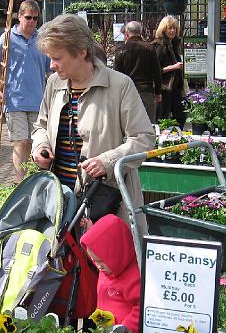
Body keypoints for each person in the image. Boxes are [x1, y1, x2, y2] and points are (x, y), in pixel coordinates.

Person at [30, 14, 154, 229]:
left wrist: (107, 161)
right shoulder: (54, 84)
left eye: (57, 58)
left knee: (102, 261)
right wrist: (41, 146)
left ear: (81, 52)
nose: (51, 65)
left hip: (104, 201)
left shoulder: (119, 85)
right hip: (60, 199)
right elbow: (41, 125)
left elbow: (143, 138)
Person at [0, 0, 51, 182]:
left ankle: (33, 179)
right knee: (20, 141)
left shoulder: (42, 40)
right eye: (28, 17)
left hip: (38, 101)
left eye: (35, 18)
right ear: (19, 17)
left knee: (36, 144)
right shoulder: (7, 39)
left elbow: (50, 69)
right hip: (14, 100)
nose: (31, 21)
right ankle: (20, 181)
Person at [79, 214, 141, 333]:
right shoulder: (108, 267)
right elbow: (100, 251)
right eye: (94, 260)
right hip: (104, 329)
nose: (98, 266)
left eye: (101, 261)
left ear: (114, 256)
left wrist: (125, 330)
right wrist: (92, 231)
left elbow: (139, 308)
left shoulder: (133, 278)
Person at [114, 21, 162, 123]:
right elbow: (157, 73)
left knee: (129, 126)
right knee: (149, 126)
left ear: (126, 34)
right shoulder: (150, 48)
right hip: (147, 92)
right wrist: (158, 92)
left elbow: (116, 75)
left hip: (127, 94)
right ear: (141, 33)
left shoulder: (120, 50)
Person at [152, 16, 188, 127]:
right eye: (170, 28)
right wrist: (174, 67)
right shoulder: (159, 46)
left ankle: (178, 139)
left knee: (181, 117)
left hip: (176, 88)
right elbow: (155, 69)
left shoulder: (174, 45)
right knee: (161, 118)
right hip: (164, 88)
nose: (172, 31)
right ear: (164, 29)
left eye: (174, 28)